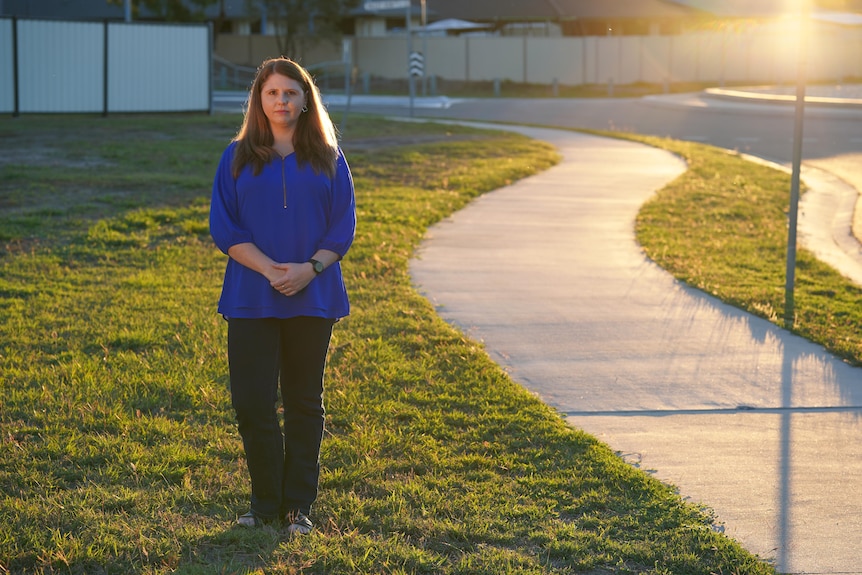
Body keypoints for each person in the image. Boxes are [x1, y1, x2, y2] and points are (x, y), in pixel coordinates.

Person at [209, 57, 356, 534]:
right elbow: (223, 225)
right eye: (272, 93)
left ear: (305, 100)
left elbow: (343, 224)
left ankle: (297, 507)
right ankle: (264, 503)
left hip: (312, 295)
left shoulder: (329, 158)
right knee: (252, 402)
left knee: (303, 401)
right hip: (251, 295)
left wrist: (309, 270)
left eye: (291, 93)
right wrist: (269, 268)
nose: (281, 101)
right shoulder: (235, 157)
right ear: (259, 99)